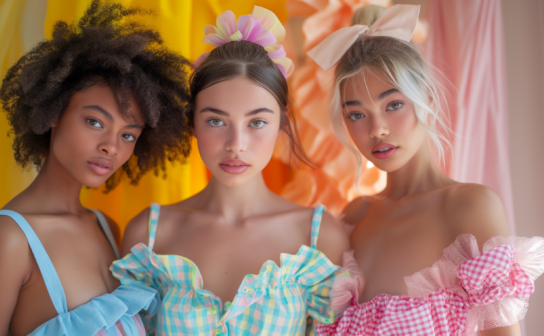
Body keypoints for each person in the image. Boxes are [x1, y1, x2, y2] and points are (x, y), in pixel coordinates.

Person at [307, 5, 544, 336]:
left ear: (428, 98)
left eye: (393, 105)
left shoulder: (469, 205)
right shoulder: (353, 217)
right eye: (356, 114)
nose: (377, 130)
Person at [112, 6, 350, 335]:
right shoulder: (148, 236)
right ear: (192, 122)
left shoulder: (318, 237)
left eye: (256, 122)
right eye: (216, 121)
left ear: (281, 123)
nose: (236, 143)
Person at [0, 1, 192, 335]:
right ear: (54, 111)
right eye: (95, 121)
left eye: (128, 134)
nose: (111, 146)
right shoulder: (8, 239)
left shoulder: (107, 229)